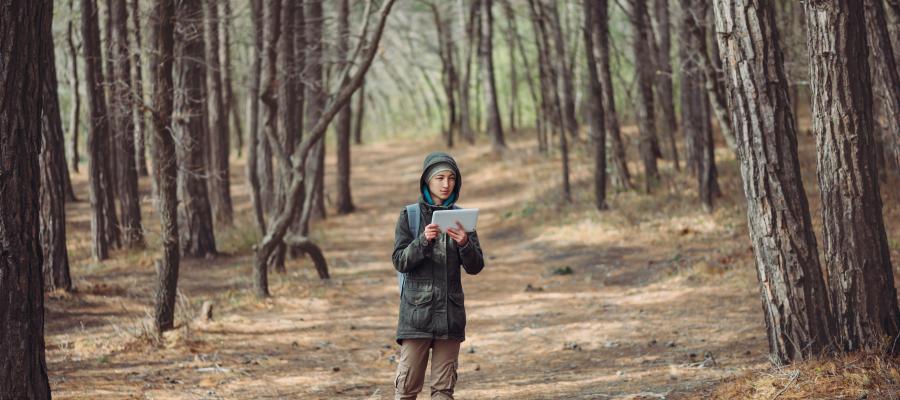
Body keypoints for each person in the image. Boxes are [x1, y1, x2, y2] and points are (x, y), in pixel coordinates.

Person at [391, 152, 485, 399]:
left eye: (452, 178)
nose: (446, 184)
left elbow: (476, 266)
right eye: (440, 178)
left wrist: (465, 242)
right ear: (427, 181)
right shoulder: (409, 215)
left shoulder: (463, 218)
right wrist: (423, 240)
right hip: (415, 317)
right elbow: (400, 261)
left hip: (450, 317)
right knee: (407, 389)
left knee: (443, 391)